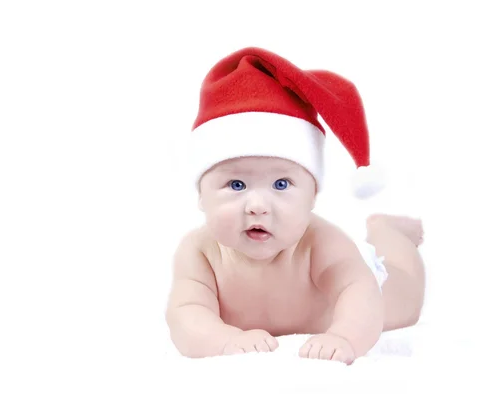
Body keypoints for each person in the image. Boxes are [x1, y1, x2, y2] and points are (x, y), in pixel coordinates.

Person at [165, 47, 426, 365]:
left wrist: (344, 336)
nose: (257, 206)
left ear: (312, 197)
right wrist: (224, 341)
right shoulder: (199, 251)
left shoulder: (319, 241)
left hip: (370, 298)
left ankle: (386, 229)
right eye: (237, 185)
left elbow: (359, 290)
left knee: (405, 299)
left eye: (281, 185)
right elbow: (186, 313)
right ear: (201, 196)